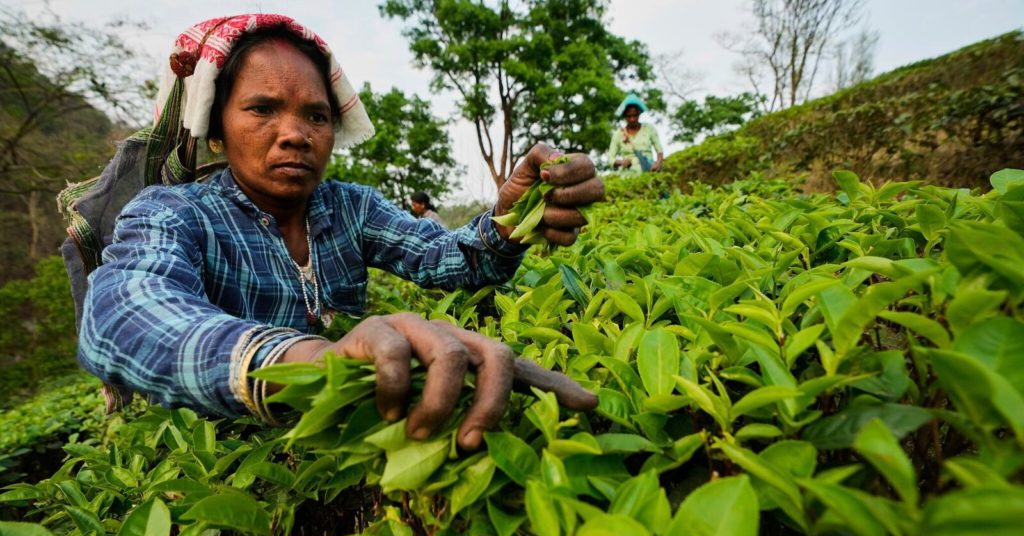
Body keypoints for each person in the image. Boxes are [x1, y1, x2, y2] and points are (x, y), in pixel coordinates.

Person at [77, 14, 602, 451]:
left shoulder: (351, 207)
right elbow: (120, 314)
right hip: (228, 464)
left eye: (317, 116)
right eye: (262, 109)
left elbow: (446, 258)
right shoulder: (174, 212)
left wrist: (511, 220)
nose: (295, 134)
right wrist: (304, 360)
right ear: (216, 130)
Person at [608, 93, 664, 173]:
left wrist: (658, 163)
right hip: (628, 175)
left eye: (635, 115)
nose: (632, 119)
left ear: (639, 114)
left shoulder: (649, 129)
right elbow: (610, 159)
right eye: (629, 116)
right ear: (624, 116)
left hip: (649, 170)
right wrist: (622, 162)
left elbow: (659, 150)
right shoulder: (618, 134)